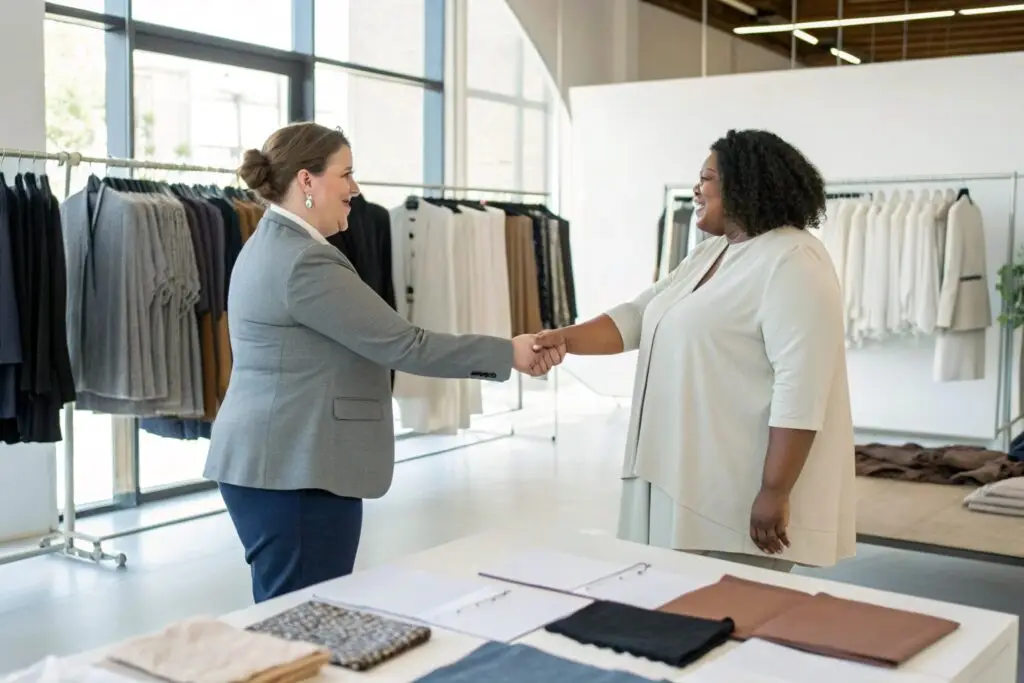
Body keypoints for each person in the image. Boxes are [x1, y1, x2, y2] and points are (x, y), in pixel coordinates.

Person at [205, 122, 564, 602]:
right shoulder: (305, 261)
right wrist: (509, 353)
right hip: (295, 470)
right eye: (346, 174)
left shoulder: (274, 243)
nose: (355, 189)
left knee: (292, 614)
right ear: (307, 180)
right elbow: (404, 344)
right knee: (303, 619)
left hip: (277, 463)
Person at [534, 129, 855, 572]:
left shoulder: (794, 260)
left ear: (747, 184)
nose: (696, 189)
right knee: (668, 597)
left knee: (725, 604)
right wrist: (563, 339)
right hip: (682, 470)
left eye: (706, 178)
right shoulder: (713, 252)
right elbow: (640, 314)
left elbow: (802, 386)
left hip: (735, 490)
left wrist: (775, 490)